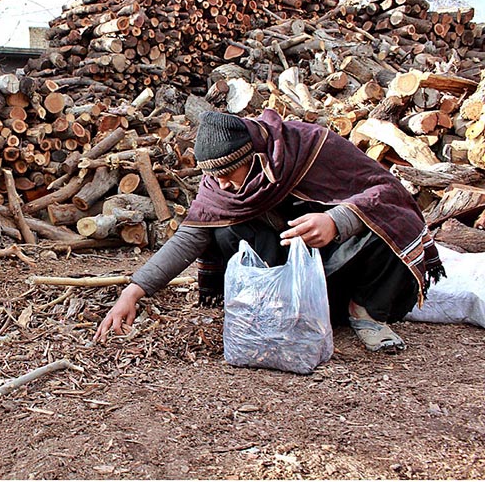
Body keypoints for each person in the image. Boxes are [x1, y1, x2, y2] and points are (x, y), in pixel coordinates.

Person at [94, 109, 446, 352]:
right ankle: (274, 307)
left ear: (255, 157)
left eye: (227, 175)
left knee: (385, 221)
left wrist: (337, 221)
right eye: (213, 178)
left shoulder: (308, 145)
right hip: (283, 270)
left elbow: (387, 192)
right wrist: (134, 291)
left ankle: (364, 312)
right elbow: (191, 236)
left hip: (336, 259)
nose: (221, 185)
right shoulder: (218, 183)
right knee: (222, 229)